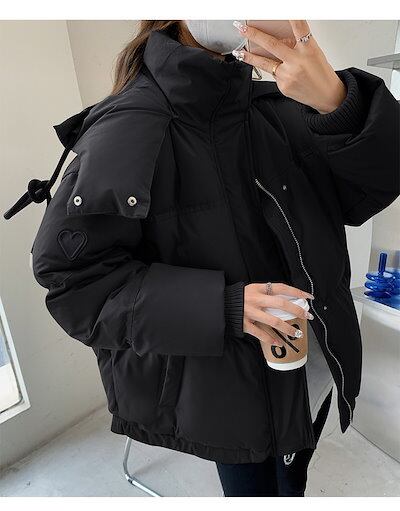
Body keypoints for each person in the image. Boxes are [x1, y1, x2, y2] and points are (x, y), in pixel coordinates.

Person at [5, 20, 399, 496]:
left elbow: (362, 195)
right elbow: (74, 283)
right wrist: (223, 306)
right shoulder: (128, 128)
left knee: (293, 479)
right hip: (229, 399)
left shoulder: (273, 103)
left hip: (313, 370)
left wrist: (339, 105)